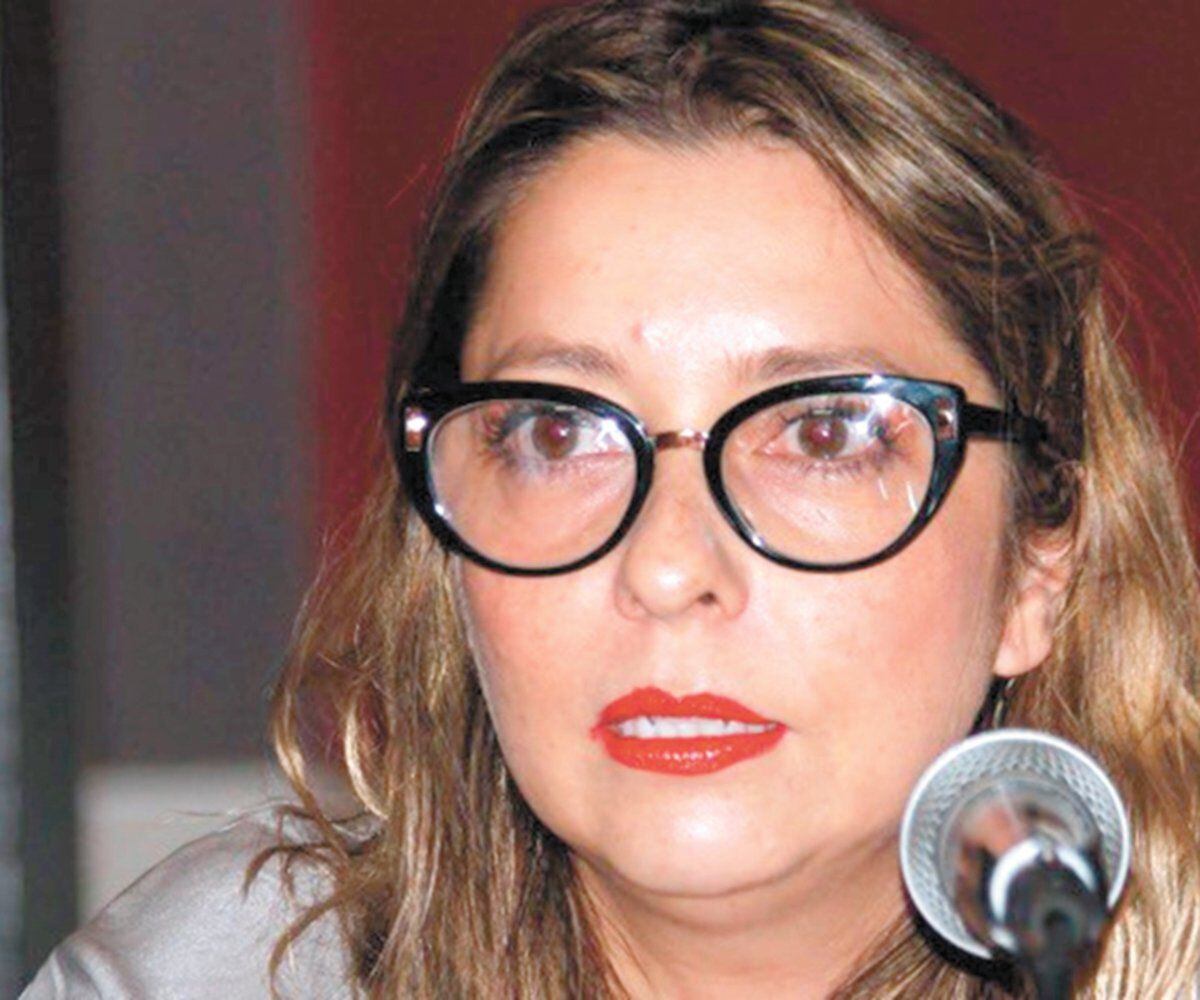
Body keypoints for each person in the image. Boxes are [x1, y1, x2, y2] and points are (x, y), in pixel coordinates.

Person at [24, 0, 1200, 997]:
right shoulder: (209, 975)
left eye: (822, 432)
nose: (668, 566)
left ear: (1037, 567)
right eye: (559, 432)